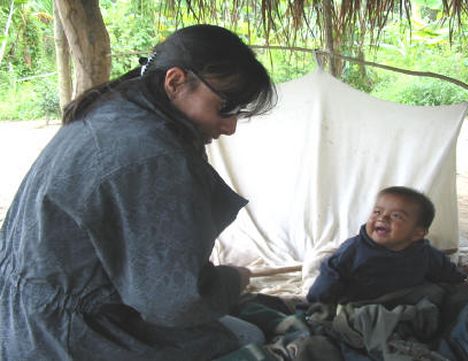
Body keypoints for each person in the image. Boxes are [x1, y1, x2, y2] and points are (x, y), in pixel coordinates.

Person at [0, 24, 276, 361]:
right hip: (65, 338)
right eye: (226, 107)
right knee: (252, 336)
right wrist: (233, 279)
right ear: (175, 81)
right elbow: (175, 304)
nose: (230, 127)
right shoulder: (155, 154)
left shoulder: (111, 111)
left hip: (19, 321)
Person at [306, 186, 465, 304]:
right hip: (359, 307)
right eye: (377, 212)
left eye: (396, 216)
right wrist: (317, 306)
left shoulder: (425, 254)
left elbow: (450, 277)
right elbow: (327, 280)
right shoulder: (353, 250)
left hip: (404, 308)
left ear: (417, 233)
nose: (383, 218)